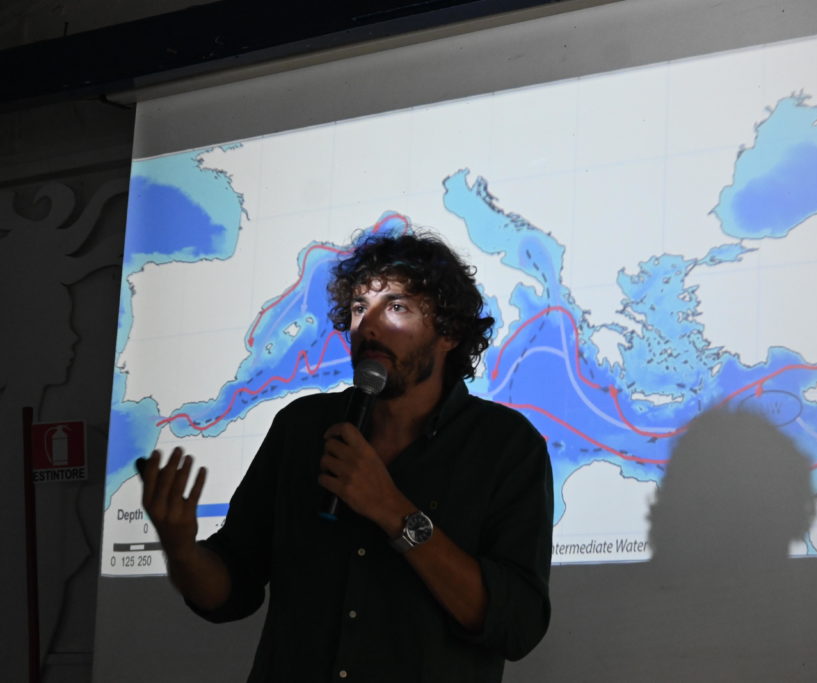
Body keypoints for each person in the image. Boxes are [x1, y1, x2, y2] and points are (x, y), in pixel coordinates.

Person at [139, 229, 554, 682]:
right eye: (359, 308)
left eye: (396, 307)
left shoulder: (506, 445)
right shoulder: (302, 428)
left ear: (449, 331)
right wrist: (181, 550)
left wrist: (391, 509)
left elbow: (517, 625)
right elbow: (232, 588)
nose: (368, 326)